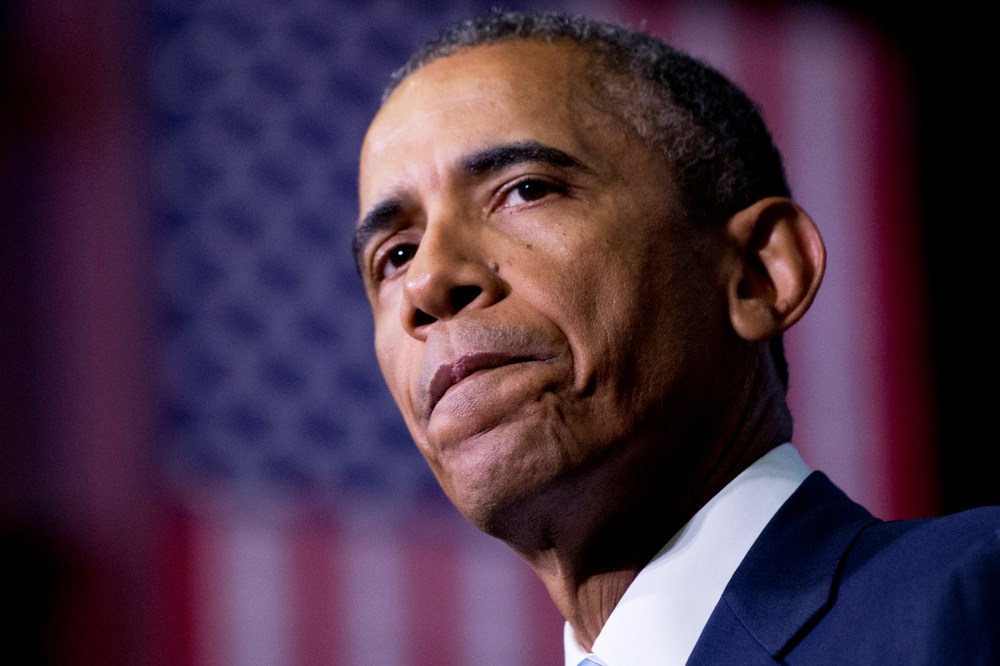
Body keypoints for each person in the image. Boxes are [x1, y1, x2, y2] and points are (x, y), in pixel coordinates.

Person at [351, 10, 1000, 665]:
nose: (429, 281)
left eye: (525, 190)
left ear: (757, 274)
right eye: (394, 256)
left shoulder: (973, 601)